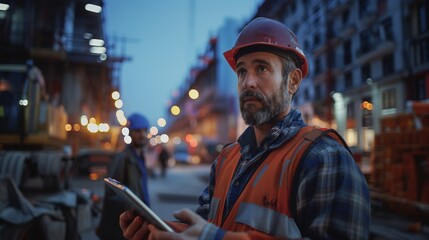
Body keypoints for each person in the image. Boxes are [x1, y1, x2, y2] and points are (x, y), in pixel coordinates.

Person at [119, 17, 370, 240]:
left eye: (261, 68)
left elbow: (212, 235)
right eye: (241, 72)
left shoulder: (324, 158)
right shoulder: (227, 158)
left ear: (292, 81)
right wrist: (160, 230)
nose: (248, 82)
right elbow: (206, 227)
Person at [97, 113, 152, 240]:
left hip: (138, 223)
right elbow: (112, 193)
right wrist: (135, 211)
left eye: (145, 130)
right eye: (138, 131)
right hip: (122, 229)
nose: (142, 134)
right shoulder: (122, 158)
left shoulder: (140, 158)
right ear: (131, 133)